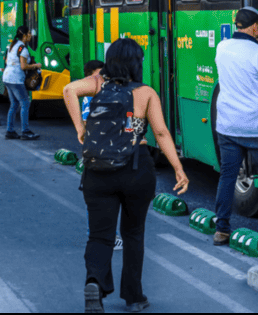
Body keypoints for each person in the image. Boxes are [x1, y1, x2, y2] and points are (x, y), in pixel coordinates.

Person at [63, 38, 189, 313]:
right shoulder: (145, 93)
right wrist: (178, 169)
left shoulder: (97, 84)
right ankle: (133, 297)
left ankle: (94, 282)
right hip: (136, 168)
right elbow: (161, 133)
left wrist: (80, 129)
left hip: (98, 170)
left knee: (99, 235)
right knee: (133, 234)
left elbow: (68, 90)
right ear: (137, 63)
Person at [213, 6, 258, 246]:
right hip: (257, 127)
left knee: (227, 176)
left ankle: (221, 229)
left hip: (228, 126)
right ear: (254, 27)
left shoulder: (222, 48)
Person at [79, 60, 124, 252]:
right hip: (101, 153)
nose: (102, 78)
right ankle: (107, 238)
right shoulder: (91, 96)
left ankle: (99, 236)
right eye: (98, 74)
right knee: (105, 197)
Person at [3, 26, 41, 140]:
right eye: (29, 33)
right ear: (24, 35)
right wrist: (36, 65)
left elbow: (6, 60)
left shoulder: (12, 45)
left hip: (7, 77)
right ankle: (25, 131)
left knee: (14, 104)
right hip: (16, 79)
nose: (31, 35)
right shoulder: (23, 49)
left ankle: (10, 131)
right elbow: (23, 66)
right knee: (25, 103)